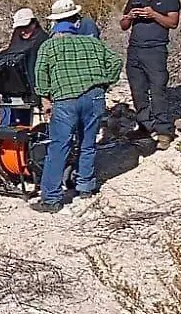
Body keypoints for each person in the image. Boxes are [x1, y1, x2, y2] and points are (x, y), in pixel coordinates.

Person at [31, 20, 123, 213]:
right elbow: (115, 62)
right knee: (88, 143)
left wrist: (46, 96)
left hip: (65, 100)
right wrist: (106, 82)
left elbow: (40, 78)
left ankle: (51, 198)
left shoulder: (49, 46)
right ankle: (85, 186)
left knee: (59, 147)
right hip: (94, 97)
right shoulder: (93, 42)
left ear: (55, 29)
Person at [120, 0, 181, 150]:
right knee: (138, 90)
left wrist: (153, 14)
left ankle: (164, 131)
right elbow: (123, 26)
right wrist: (130, 16)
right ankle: (145, 126)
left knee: (157, 90)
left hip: (155, 51)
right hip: (135, 50)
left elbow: (173, 22)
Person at [0, 8, 49, 127]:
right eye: (19, 28)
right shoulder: (17, 38)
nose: (22, 31)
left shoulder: (43, 40)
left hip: (37, 92)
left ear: (34, 23)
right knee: (11, 128)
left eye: (25, 27)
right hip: (11, 94)